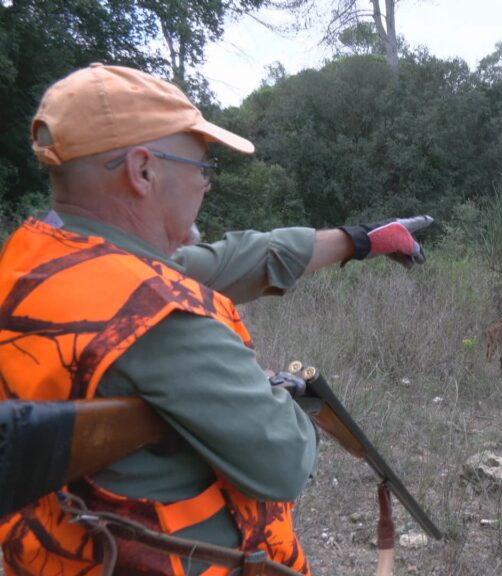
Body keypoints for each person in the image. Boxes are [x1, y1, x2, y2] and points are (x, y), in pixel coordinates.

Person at [0, 63, 430, 575]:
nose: (205, 186)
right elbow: (283, 458)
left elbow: (231, 260)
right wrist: (288, 400)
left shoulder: (36, 264)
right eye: (202, 168)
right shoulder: (162, 312)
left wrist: (359, 240)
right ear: (143, 171)